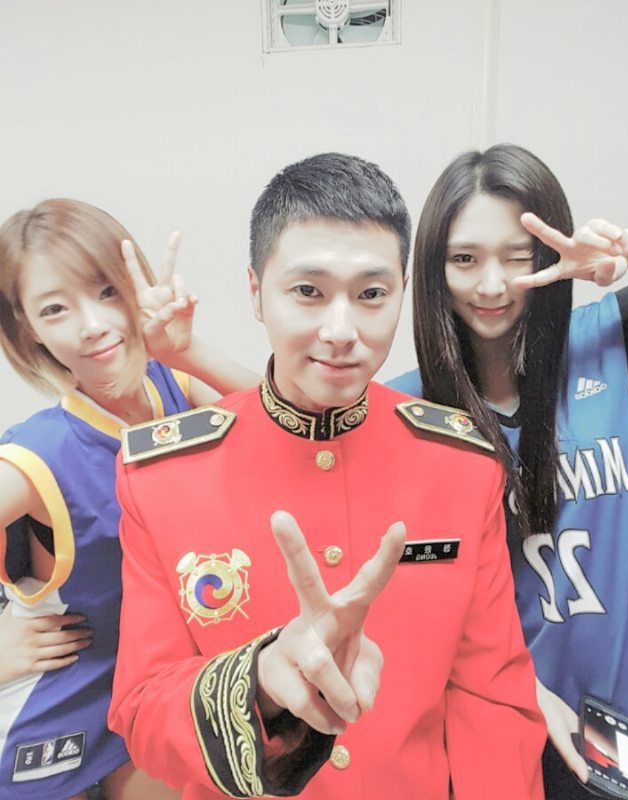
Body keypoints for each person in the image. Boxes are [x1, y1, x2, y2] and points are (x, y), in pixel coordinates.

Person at [108, 152, 546, 800]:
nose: (341, 331)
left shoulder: (461, 465)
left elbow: (493, 702)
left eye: (371, 295)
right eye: (308, 292)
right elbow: (142, 710)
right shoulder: (163, 476)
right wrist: (259, 682)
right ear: (256, 292)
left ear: (402, 291)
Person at [389, 143, 628, 799]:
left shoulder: (612, 341)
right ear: (434, 269)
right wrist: (519, 686)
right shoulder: (405, 411)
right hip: (503, 731)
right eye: (465, 259)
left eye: (518, 256)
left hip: (626, 728)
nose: (492, 285)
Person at [0, 198, 257, 800]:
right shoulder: (35, 460)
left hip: (164, 686)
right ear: (27, 329)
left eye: (106, 292)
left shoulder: (176, 386)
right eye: (56, 309)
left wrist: (183, 351)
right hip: (65, 705)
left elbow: (297, 431)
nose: (92, 324)